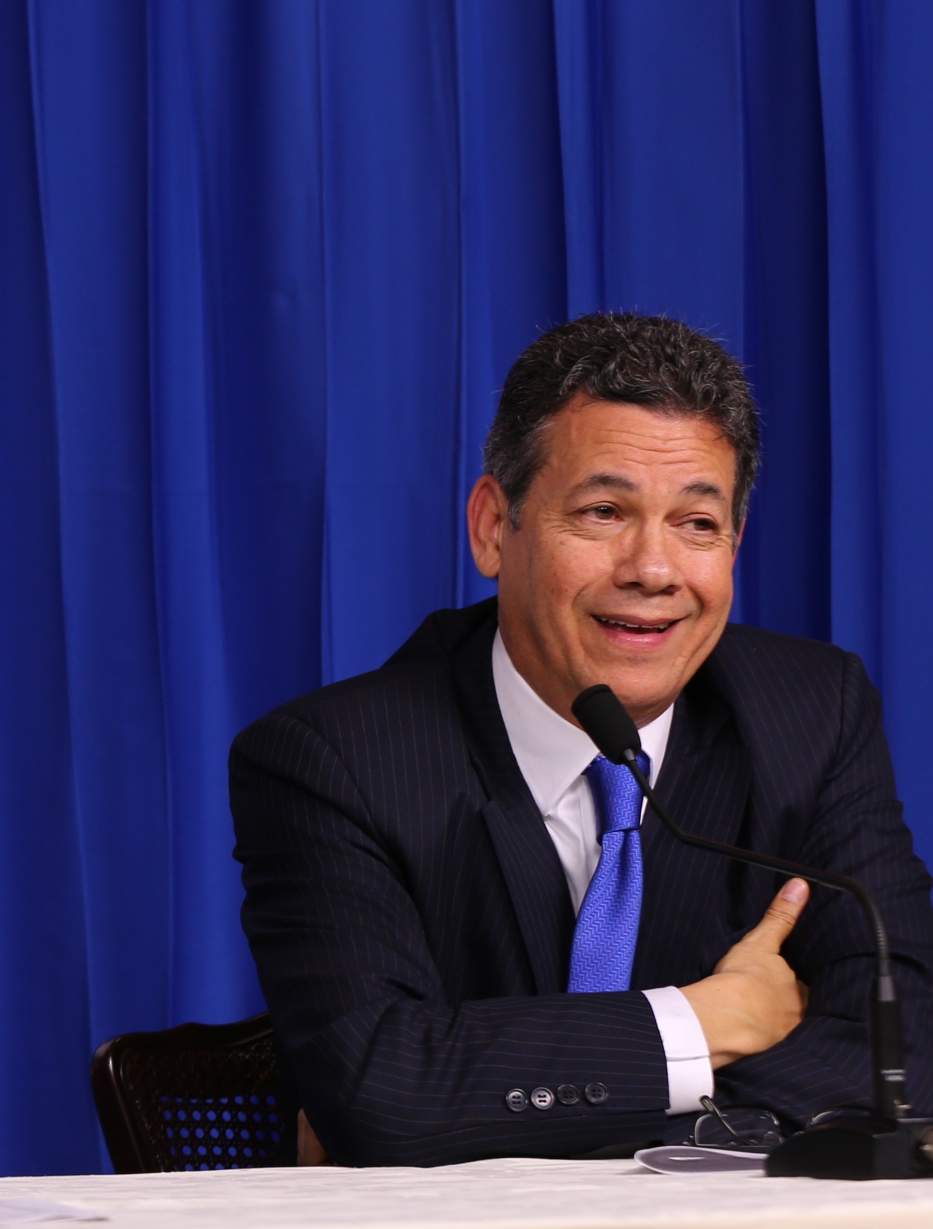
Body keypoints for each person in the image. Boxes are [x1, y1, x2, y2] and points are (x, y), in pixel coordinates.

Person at [230, 312, 933, 1166]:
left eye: (696, 523)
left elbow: (903, 1039)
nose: (653, 569)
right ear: (494, 527)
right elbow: (380, 1089)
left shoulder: (811, 711)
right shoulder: (331, 760)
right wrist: (695, 1025)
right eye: (603, 511)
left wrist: (666, 1136)